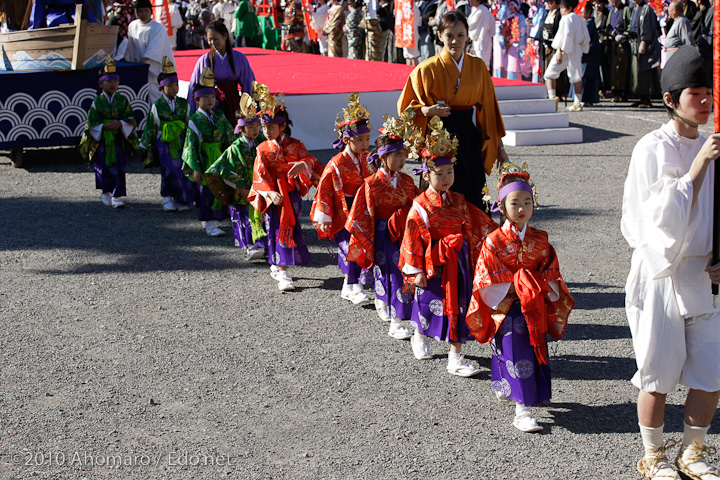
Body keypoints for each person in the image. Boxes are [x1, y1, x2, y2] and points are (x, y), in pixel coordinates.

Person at [621, 45, 720, 480]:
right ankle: (653, 455)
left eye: (708, 93)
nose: (705, 101)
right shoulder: (651, 148)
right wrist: (699, 162)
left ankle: (693, 451)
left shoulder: (713, 147)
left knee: (711, 371)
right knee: (657, 374)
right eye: (695, 93)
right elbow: (659, 219)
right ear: (670, 99)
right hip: (660, 272)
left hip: (702, 273)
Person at [466, 160, 573, 432]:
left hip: (534, 303)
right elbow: (485, 276)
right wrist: (517, 283)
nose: (522, 208)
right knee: (515, 349)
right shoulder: (494, 241)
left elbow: (552, 273)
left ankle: (509, 389)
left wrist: (536, 285)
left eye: (527, 201)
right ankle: (522, 410)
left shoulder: (541, 238)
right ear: (501, 207)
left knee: (530, 349)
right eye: (515, 203)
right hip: (506, 303)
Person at [399, 116, 497, 376]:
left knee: (460, 306)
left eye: (449, 172)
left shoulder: (460, 201)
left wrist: (502, 234)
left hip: (460, 264)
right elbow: (411, 239)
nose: (445, 178)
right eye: (439, 174)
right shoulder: (420, 205)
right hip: (433, 263)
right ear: (426, 173)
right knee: (429, 304)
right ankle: (420, 335)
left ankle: (455, 358)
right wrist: (416, 269)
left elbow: (479, 225)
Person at [398, 10, 507, 211]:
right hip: (438, 138)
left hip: (468, 136)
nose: (455, 41)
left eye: (460, 35)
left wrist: (499, 149)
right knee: (442, 195)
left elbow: (489, 109)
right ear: (440, 36)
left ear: (467, 36)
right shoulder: (426, 68)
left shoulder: (478, 66)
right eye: (449, 36)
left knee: (473, 192)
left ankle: (475, 239)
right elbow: (405, 107)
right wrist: (427, 110)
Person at [345, 109, 420, 337]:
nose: (402, 160)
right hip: (380, 233)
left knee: (401, 272)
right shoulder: (371, 183)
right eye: (396, 155)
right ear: (383, 157)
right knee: (388, 273)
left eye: (403, 155)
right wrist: (368, 238)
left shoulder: (407, 181)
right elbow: (360, 215)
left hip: (403, 234)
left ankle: (393, 312)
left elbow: (418, 206)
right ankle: (395, 320)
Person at [247, 86, 324, 292]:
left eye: (272, 127)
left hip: (290, 192)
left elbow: (313, 163)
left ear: (282, 127)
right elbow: (259, 175)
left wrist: (303, 165)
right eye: (264, 127)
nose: (267, 131)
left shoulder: (295, 145)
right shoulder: (262, 149)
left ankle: (276, 263)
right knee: (276, 228)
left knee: (288, 226)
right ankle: (281, 270)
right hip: (274, 194)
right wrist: (270, 192)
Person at [311, 93, 375, 306]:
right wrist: (324, 216)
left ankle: (349, 285)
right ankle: (354, 286)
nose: (365, 143)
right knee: (350, 247)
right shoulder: (336, 163)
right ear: (347, 139)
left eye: (367, 138)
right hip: (343, 211)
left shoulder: (367, 158)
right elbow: (324, 189)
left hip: (363, 210)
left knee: (360, 246)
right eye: (360, 139)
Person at [207, 89, 268, 260]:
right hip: (244, 186)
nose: (255, 130)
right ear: (241, 128)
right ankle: (250, 246)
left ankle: (263, 244)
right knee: (244, 216)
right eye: (250, 127)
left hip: (260, 184)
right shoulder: (234, 148)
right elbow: (225, 167)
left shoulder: (262, 142)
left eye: (257, 126)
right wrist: (241, 187)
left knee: (261, 215)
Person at [79, 57, 139, 209]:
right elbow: (91, 122)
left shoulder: (123, 100)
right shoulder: (97, 102)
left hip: (118, 137)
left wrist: (120, 123)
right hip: (103, 140)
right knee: (103, 166)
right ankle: (106, 192)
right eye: (109, 81)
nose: (113, 84)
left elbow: (130, 117)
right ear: (101, 84)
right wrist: (104, 126)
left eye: (115, 81)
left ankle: (117, 196)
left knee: (120, 166)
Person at [181, 67, 234, 237]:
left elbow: (229, 136)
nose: (210, 100)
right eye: (205, 97)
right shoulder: (195, 120)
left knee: (221, 188)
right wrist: (195, 168)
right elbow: (191, 145)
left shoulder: (220, 116)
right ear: (196, 99)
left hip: (219, 156)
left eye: (212, 96)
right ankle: (209, 222)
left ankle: (216, 219)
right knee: (206, 191)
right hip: (204, 159)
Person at [139, 56, 194, 212]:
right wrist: (148, 148)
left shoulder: (184, 104)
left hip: (182, 141)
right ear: (161, 88)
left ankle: (181, 199)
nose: (174, 88)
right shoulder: (157, 106)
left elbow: (190, 123)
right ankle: (166, 198)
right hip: (165, 143)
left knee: (184, 170)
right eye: (170, 85)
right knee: (168, 170)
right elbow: (151, 127)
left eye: (176, 84)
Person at [188, 18, 256, 126]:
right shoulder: (204, 60)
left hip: (234, 105)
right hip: (211, 105)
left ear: (225, 36)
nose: (212, 43)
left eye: (216, 39)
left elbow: (248, 84)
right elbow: (194, 87)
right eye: (210, 40)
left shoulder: (239, 58)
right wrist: (193, 111)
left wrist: (247, 109)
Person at [125, 0, 176, 104]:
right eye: (141, 11)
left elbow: (154, 48)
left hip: (153, 67)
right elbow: (131, 47)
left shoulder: (158, 28)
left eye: (146, 11)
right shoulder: (132, 26)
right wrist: (130, 63)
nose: (143, 14)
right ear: (136, 13)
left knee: (156, 96)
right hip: (138, 67)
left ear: (151, 12)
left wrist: (143, 61)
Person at [629, 0, 661, 108]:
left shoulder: (646, 9)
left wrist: (644, 41)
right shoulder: (634, 8)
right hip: (635, 43)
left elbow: (648, 26)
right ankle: (641, 97)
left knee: (645, 71)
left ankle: (646, 98)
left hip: (645, 45)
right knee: (637, 72)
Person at [606, 0, 632, 102]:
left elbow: (630, 25)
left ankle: (622, 92)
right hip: (613, 43)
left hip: (622, 43)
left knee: (622, 67)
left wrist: (624, 35)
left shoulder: (625, 10)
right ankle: (615, 91)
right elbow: (608, 26)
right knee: (613, 68)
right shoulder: (612, 12)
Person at [581, 2, 601, 106]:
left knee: (586, 77)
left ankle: (586, 98)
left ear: (589, 11)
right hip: (591, 53)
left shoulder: (588, 23)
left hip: (589, 53)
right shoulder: (588, 22)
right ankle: (588, 98)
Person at [467, 0, 494, 68]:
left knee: (481, 62)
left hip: (482, 39)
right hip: (479, 39)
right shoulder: (477, 9)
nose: (471, 2)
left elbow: (472, 25)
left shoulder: (482, 10)